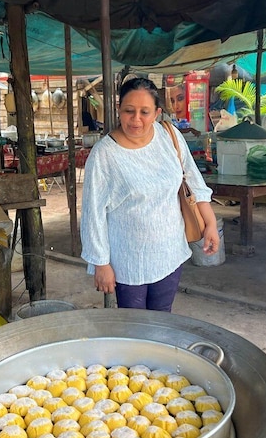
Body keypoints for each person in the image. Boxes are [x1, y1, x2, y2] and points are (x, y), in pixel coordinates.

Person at [80, 77, 219, 311]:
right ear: (118, 110)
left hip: (170, 252)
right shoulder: (104, 154)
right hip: (129, 260)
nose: (136, 119)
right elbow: (92, 214)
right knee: (136, 330)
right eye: (129, 111)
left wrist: (211, 224)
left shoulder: (168, 136)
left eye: (144, 112)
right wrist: (100, 263)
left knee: (163, 320)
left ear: (156, 113)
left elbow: (194, 182)